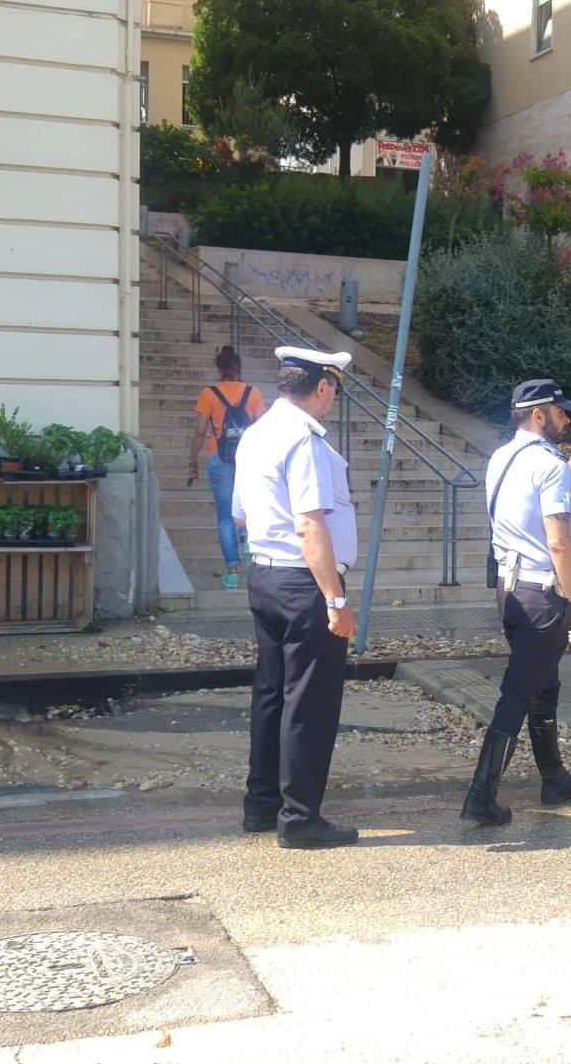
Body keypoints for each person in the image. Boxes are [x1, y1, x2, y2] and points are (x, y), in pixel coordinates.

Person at [232, 346, 361, 849]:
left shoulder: (256, 433)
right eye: (333, 391)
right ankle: (301, 818)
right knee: (309, 701)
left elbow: (240, 514)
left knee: (271, 695)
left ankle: (262, 805)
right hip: (304, 582)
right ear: (322, 386)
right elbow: (310, 525)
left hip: (265, 575)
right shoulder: (304, 439)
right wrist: (335, 599)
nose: (332, 400)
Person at [461, 378, 571, 826]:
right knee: (519, 692)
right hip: (542, 594)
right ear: (539, 415)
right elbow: (558, 542)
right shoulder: (548, 464)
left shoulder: (503, 457)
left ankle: (554, 778)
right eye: (560, 412)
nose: (568, 419)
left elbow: (548, 499)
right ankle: (480, 795)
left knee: (543, 684)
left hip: (510, 590)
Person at [188, 346, 265, 590]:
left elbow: (200, 431)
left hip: (219, 457)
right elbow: (262, 428)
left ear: (219, 367)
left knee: (225, 516)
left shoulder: (209, 394)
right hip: (250, 457)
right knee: (250, 508)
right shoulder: (253, 393)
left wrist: (192, 460)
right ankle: (251, 553)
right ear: (239, 366)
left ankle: (232, 573)